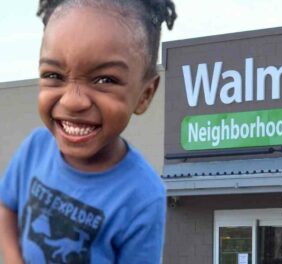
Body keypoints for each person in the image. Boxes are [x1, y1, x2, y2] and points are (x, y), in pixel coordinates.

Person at [0, 0, 176, 263]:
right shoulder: (35, 149)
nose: (72, 101)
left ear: (145, 94)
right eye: (54, 75)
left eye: (105, 79)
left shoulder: (143, 195)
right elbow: (7, 207)